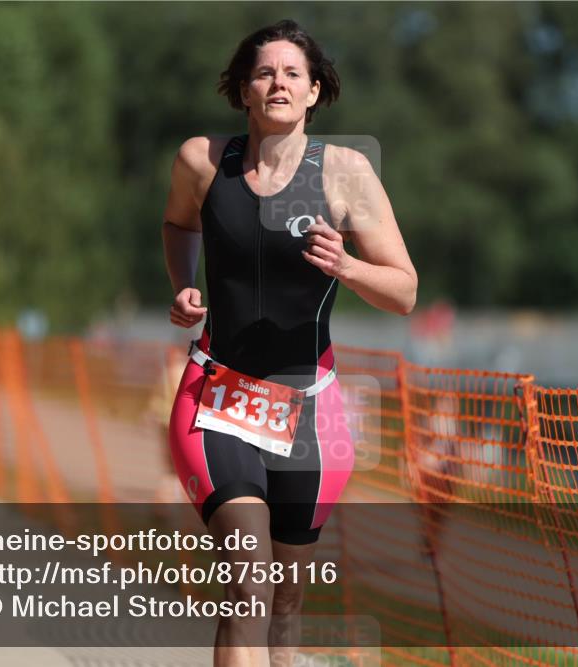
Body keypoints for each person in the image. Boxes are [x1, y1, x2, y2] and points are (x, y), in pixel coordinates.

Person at [163, 19, 417, 667]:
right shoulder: (201, 160)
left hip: (310, 409)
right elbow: (177, 222)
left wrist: (348, 267)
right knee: (249, 581)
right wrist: (183, 285)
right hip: (217, 395)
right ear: (243, 91)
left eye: (292, 73)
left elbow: (405, 290)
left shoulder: (346, 173)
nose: (277, 82)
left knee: (286, 598)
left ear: (313, 93)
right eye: (263, 72)